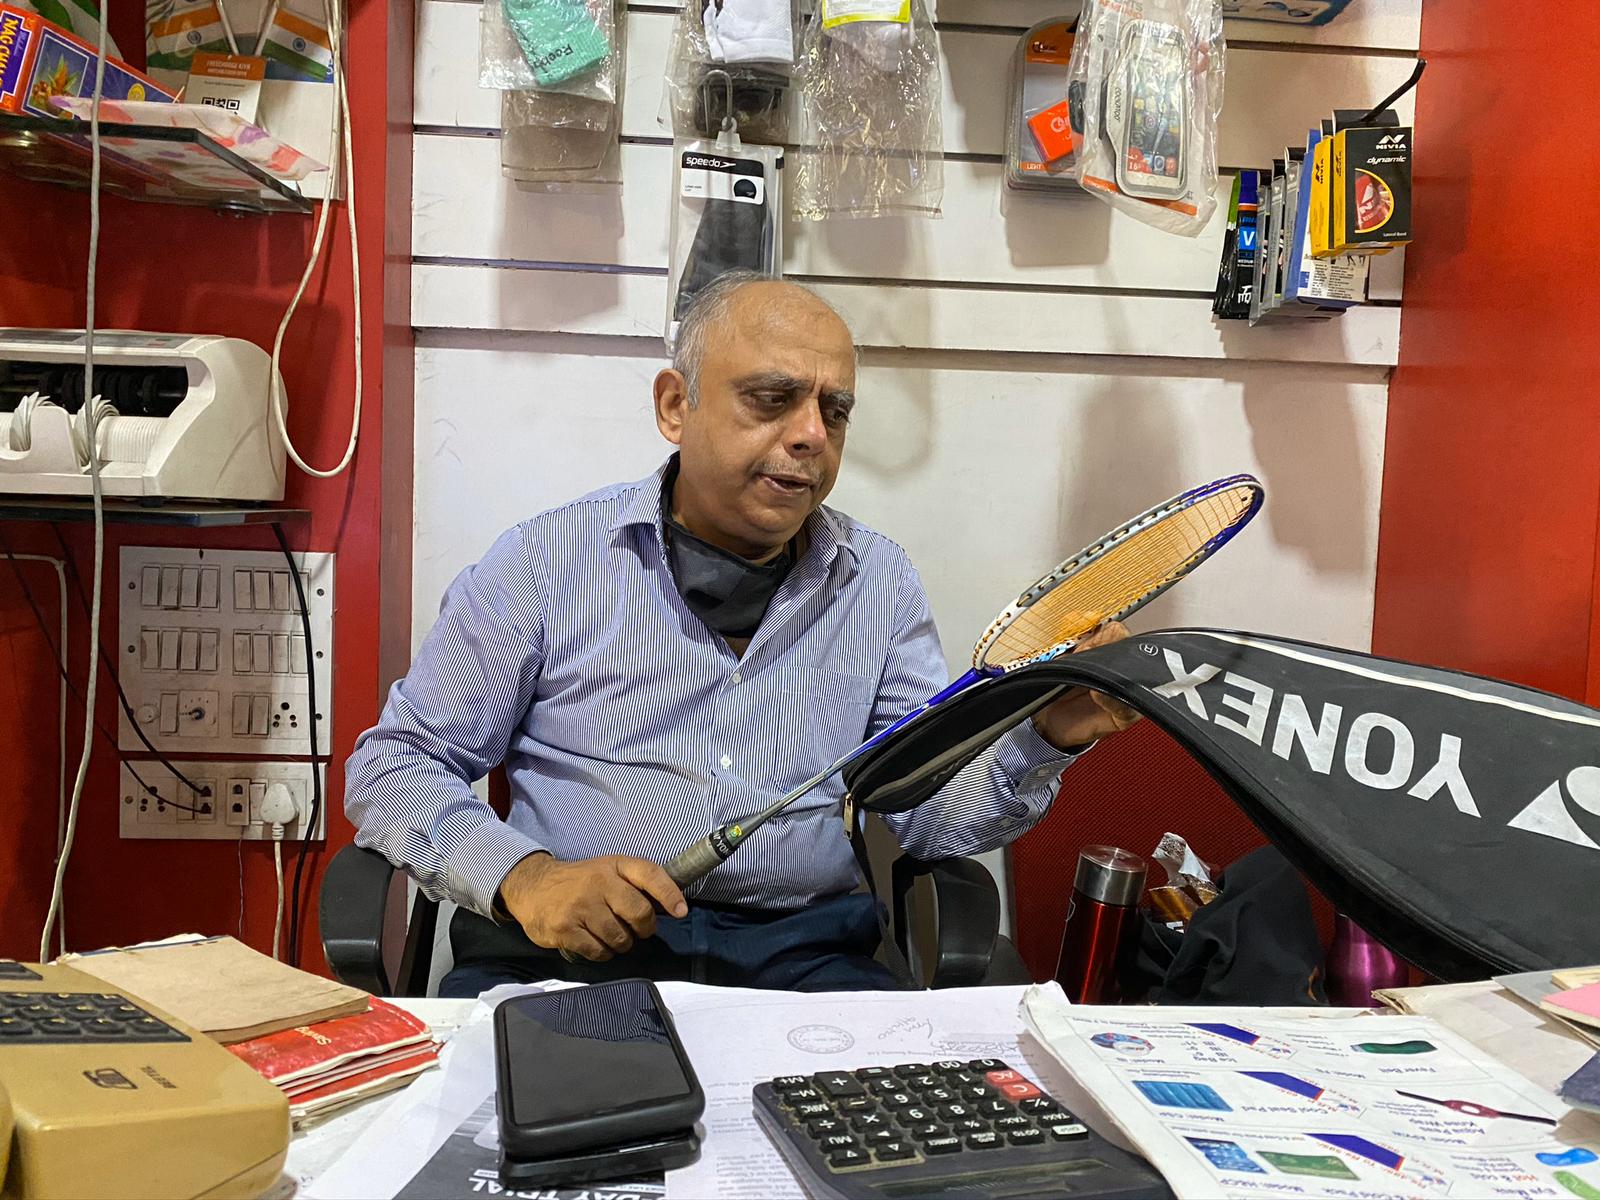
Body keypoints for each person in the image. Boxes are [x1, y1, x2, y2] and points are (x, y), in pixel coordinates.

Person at [345, 273, 1140, 996]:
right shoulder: (544, 564)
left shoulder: (879, 583)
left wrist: (1042, 736)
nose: (812, 435)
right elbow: (394, 767)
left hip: (805, 968)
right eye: (771, 398)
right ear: (675, 405)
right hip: (568, 962)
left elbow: (926, 815)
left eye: (834, 411)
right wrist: (527, 878)